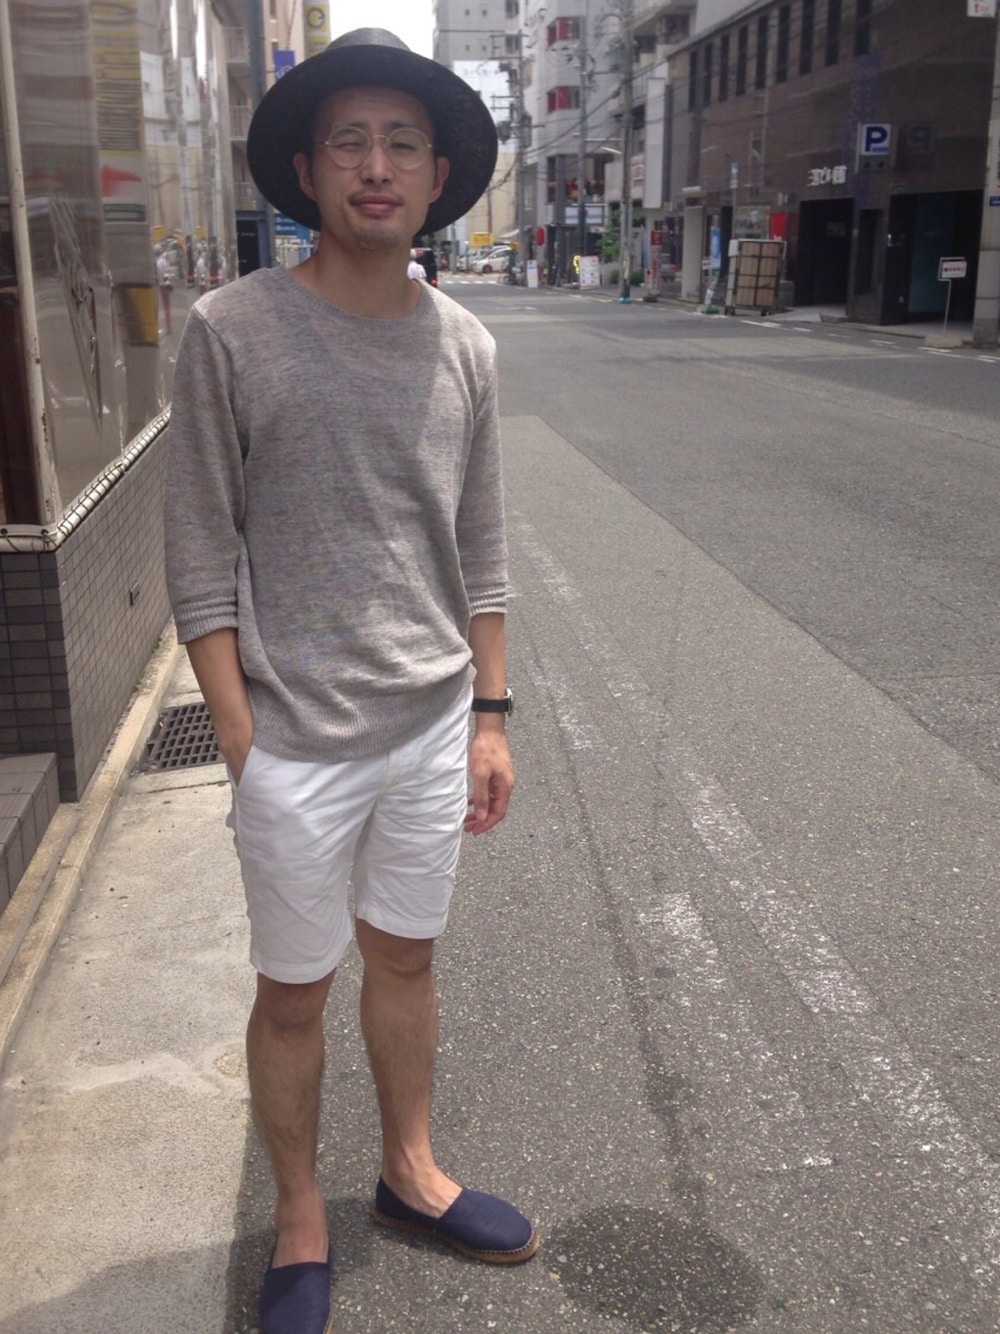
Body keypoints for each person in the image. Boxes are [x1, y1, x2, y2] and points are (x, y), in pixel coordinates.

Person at [163, 27, 535, 1334]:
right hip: (296, 741)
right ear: (309, 171)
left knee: (407, 959)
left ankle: (410, 1172)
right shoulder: (231, 331)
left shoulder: (468, 347)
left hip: (431, 725)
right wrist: (243, 740)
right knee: (292, 991)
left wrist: (490, 714)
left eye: (402, 143)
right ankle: (301, 1217)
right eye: (350, 143)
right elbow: (200, 554)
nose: (377, 166)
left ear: (436, 174)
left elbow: (480, 546)